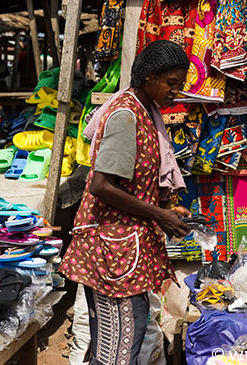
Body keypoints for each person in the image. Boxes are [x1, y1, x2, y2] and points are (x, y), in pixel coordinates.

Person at [59, 40, 192, 365]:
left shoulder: (144, 112)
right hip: (111, 255)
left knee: (125, 344)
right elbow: (101, 185)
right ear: (148, 77)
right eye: (170, 84)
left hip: (123, 250)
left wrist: (163, 212)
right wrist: (157, 212)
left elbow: (130, 185)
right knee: (118, 351)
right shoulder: (126, 117)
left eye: (180, 85)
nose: (176, 92)